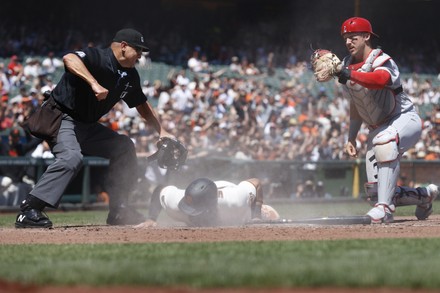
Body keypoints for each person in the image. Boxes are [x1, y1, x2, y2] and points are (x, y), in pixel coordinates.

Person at [15, 28, 174, 228]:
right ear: (123, 47)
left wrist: (161, 131)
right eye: (138, 49)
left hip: (88, 125)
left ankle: (119, 209)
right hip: (63, 117)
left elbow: (141, 104)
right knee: (71, 158)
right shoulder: (98, 57)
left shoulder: (130, 75)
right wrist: (93, 83)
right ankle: (29, 209)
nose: (141, 55)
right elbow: (69, 58)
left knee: (124, 146)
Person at [336, 17, 439, 223]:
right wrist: (351, 138)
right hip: (379, 127)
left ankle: (384, 209)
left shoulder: (381, 59)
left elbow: (379, 80)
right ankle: (424, 195)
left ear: (366, 37)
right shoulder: (347, 65)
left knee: (385, 143)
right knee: (375, 192)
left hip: (404, 119)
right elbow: (356, 105)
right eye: (345, 38)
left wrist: (349, 73)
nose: (348, 42)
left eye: (353, 37)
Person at [135, 177, 280, 227]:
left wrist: (256, 215)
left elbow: (256, 183)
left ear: (212, 208)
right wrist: (151, 218)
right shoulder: (176, 204)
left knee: (273, 216)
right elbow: (161, 188)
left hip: (241, 205)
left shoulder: (236, 201)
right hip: (212, 191)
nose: (191, 214)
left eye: (196, 211)